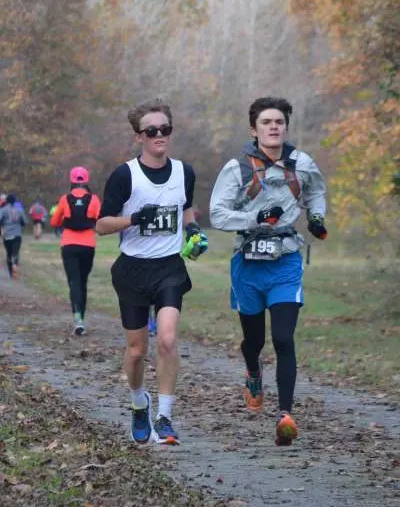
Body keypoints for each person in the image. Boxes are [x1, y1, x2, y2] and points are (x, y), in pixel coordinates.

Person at [209, 96, 327, 446]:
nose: (274, 126)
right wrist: (253, 218)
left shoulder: (301, 164)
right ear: (254, 129)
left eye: (279, 121)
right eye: (266, 122)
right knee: (255, 340)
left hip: (286, 259)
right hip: (247, 262)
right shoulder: (237, 168)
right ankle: (253, 371)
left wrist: (316, 217)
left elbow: (317, 193)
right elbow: (217, 214)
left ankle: (285, 415)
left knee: (283, 338)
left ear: (285, 127)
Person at [96, 99, 208, 446]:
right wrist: (133, 219)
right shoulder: (124, 175)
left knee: (168, 339)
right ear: (138, 137)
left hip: (169, 268)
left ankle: (165, 416)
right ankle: (138, 402)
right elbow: (101, 224)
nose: (160, 135)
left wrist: (193, 232)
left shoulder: (184, 172)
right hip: (132, 270)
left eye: (165, 129)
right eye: (152, 131)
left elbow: (186, 209)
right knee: (135, 351)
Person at [50, 167, 101, 335]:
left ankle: (77, 317)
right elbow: (100, 221)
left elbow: (55, 222)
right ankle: (81, 319)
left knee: (74, 282)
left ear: (71, 180)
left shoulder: (65, 199)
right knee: (83, 281)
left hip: (69, 245)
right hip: (88, 246)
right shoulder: (94, 199)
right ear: (87, 180)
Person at [0, 193, 28, 278]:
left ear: (7, 201)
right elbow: (24, 222)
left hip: (7, 235)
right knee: (15, 252)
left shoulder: (3, 210)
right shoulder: (20, 210)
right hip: (17, 235)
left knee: (9, 253)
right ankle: (15, 264)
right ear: (15, 201)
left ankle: (11, 272)